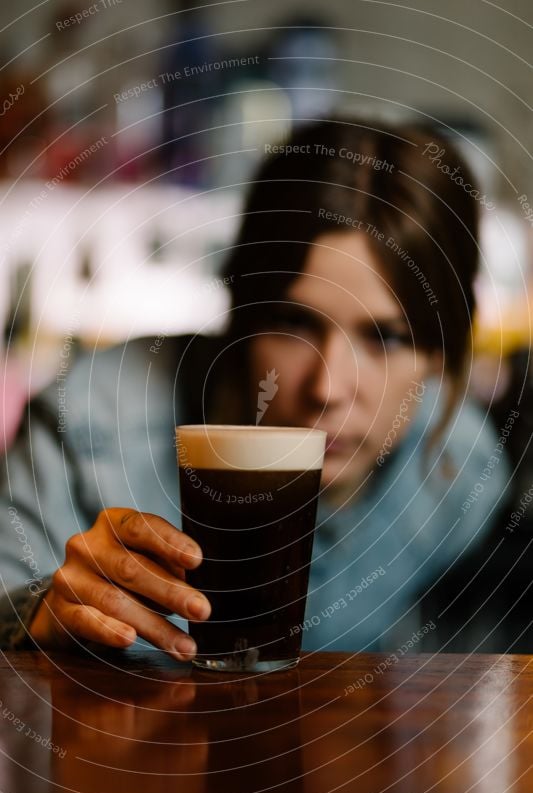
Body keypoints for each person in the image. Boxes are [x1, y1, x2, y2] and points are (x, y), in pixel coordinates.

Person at [0, 117, 510, 658]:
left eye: (386, 337)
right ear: (238, 316)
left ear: (442, 354)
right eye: (292, 324)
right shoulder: (88, 421)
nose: (327, 387)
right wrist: (38, 614)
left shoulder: (461, 473)